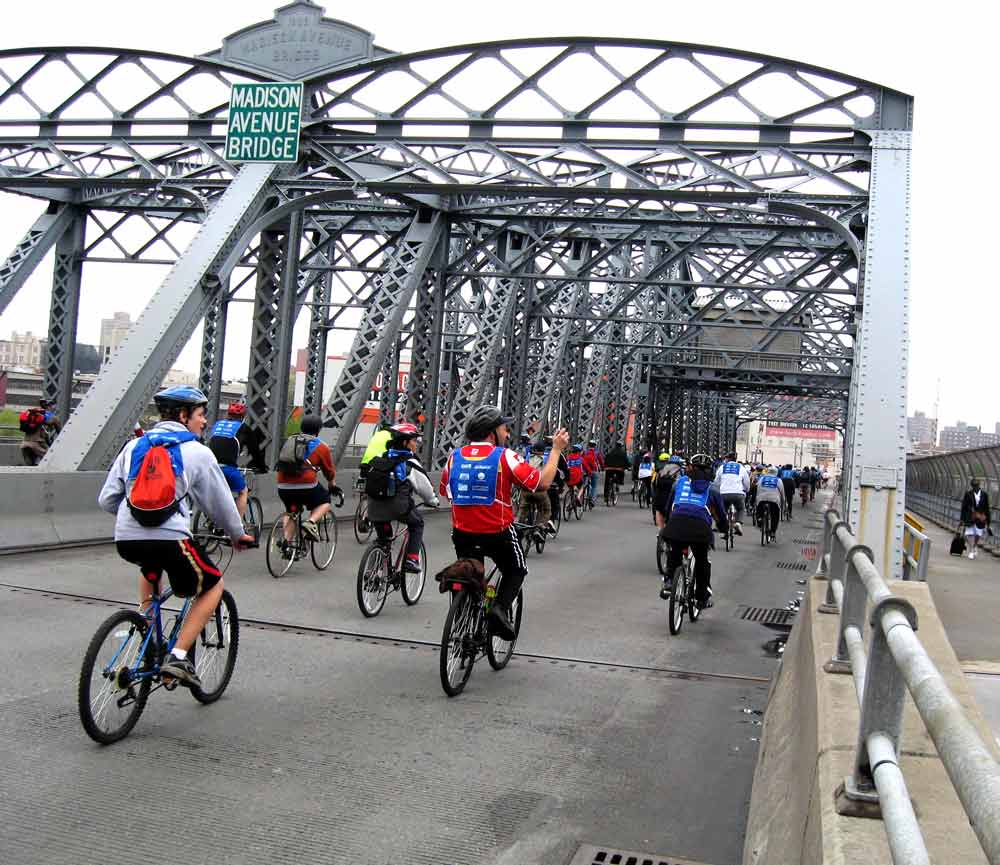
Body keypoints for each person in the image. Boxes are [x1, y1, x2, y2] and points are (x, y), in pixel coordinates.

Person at [97, 385, 255, 689]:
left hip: (127, 539)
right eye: (200, 414)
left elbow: (106, 500)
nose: (204, 421)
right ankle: (178, 656)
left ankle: (148, 627)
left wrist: (134, 519)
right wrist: (238, 535)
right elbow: (219, 504)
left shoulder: (134, 447)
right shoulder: (197, 452)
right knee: (212, 585)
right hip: (171, 539)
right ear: (184, 416)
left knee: (150, 567)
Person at [440, 406, 570, 640]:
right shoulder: (504, 456)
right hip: (497, 533)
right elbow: (541, 483)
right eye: (504, 429)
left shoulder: (454, 458)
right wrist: (556, 450)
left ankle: (462, 623)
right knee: (516, 569)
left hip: (463, 533)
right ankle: (498, 610)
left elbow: (445, 491)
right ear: (492, 434)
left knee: (469, 573)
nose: (507, 434)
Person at [658, 453, 728, 609]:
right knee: (702, 560)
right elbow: (721, 517)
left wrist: (668, 524)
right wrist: (724, 528)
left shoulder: (679, 482)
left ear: (690, 468)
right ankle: (702, 597)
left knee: (674, 552)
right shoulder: (713, 489)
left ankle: (669, 582)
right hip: (700, 530)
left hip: (676, 524)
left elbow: (668, 508)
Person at [366, 422, 439, 572]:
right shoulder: (410, 463)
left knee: (383, 538)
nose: (416, 444)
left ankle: (374, 573)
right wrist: (433, 501)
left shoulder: (381, 458)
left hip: (373, 508)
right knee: (417, 523)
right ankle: (412, 559)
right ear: (405, 442)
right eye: (414, 441)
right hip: (398, 509)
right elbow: (425, 490)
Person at [276, 414, 341, 544]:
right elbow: (329, 472)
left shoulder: (289, 441)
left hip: (283, 485)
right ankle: (310, 522)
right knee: (325, 501)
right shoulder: (321, 447)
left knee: (291, 511)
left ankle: (286, 542)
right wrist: (332, 485)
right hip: (306, 486)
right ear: (318, 430)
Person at [206, 402, 259, 518]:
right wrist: (261, 466)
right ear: (243, 417)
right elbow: (254, 451)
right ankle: (238, 527)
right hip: (228, 468)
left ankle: (211, 520)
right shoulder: (243, 428)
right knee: (242, 491)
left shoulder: (217, 425)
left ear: (227, 414)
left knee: (217, 491)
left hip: (210, 468)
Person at [516, 441, 555, 533]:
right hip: (539, 490)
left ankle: (519, 528)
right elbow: (552, 474)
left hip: (526, 489)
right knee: (546, 509)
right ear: (543, 450)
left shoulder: (527, 457)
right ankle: (539, 528)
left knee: (523, 509)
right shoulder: (546, 459)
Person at [714, 452, 750, 535]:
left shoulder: (722, 467)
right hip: (738, 493)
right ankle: (738, 523)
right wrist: (746, 490)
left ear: (727, 459)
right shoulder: (741, 468)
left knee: (722, 510)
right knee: (740, 508)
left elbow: (716, 482)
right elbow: (747, 482)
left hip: (724, 493)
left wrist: (719, 489)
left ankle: (721, 528)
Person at [19, 398, 61, 466]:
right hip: (38, 443)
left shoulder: (32, 414)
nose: (55, 407)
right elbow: (60, 433)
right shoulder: (53, 418)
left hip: (24, 443)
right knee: (51, 460)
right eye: (54, 405)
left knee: (30, 467)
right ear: (49, 406)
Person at [960, 478, 992, 560]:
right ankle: (971, 550)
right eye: (974, 486)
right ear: (972, 486)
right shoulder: (968, 494)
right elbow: (964, 507)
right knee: (969, 533)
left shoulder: (984, 495)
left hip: (980, 517)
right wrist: (962, 519)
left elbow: (987, 508)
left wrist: (988, 521)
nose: (975, 488)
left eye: (976, 486)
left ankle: (974, 546)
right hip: (970, 516)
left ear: (979, 486)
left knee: (978, 534)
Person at [754, 468, 786, 541]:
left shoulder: (762, 479)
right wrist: (782, 505)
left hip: (762, 499)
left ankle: (759, 520)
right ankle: (772, 532)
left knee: (759, 510)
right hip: (774, 500)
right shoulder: (779, 480)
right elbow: (782, 494)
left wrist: (757, 500)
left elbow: (757, 489)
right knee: (775, 516)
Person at [583, 440, 600, 506]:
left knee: (584, 484)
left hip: (585, 470)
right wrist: (603, 467)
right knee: (594, 486)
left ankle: (582, 496)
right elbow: (600, 461)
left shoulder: (585, 452)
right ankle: (592, 499)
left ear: (588, 445)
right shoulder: (596, 453)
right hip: (593, 470)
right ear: (595, 446)